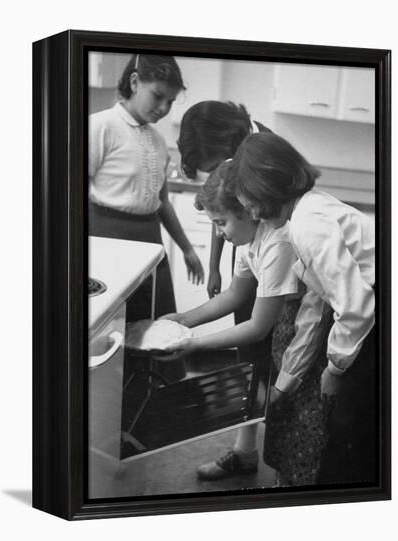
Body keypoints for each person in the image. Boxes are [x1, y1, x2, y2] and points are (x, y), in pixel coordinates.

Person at [230, 132, 376, 485]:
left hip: (374, 316)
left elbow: (355, 306)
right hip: (368, 313)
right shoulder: (308, 210)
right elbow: (318, 299)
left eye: (247, 199)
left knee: (353, 431)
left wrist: (336, 368)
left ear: (267, 184)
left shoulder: (308, 223)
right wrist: (291, 376)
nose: (248, 211)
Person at [162, 161, 300, 480]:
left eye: (220, 222)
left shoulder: (277, 242)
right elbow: (235, 295)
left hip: (323, 324)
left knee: (291, 408)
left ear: (249, 211)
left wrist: (191, 344)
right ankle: (251, 459)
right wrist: (184, 320)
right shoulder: (247, 238)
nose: (218, 233)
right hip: (288, 321)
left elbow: (257, 327)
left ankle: (292, 487)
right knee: (273, 397)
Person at [176, 102, 274, 479]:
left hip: (274, 261)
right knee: (250, 355)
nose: (216, 167)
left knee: (266, 352)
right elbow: (223, 213)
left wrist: (196, 342)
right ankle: (245, 450)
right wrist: (216, 264)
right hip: (248, 253)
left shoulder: (263, 150)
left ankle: (258, 452)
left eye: (214, 160)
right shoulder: (232, 161)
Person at [89, 54, 204, 324]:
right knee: (113, 326)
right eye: (158, 96)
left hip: (151, 240)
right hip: (107, 239)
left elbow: (162, 202)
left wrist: (187, 249)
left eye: (171, 101)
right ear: (135, 82)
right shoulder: (100, 126)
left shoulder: (158, 140)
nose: (164, 107)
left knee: (155, 324)